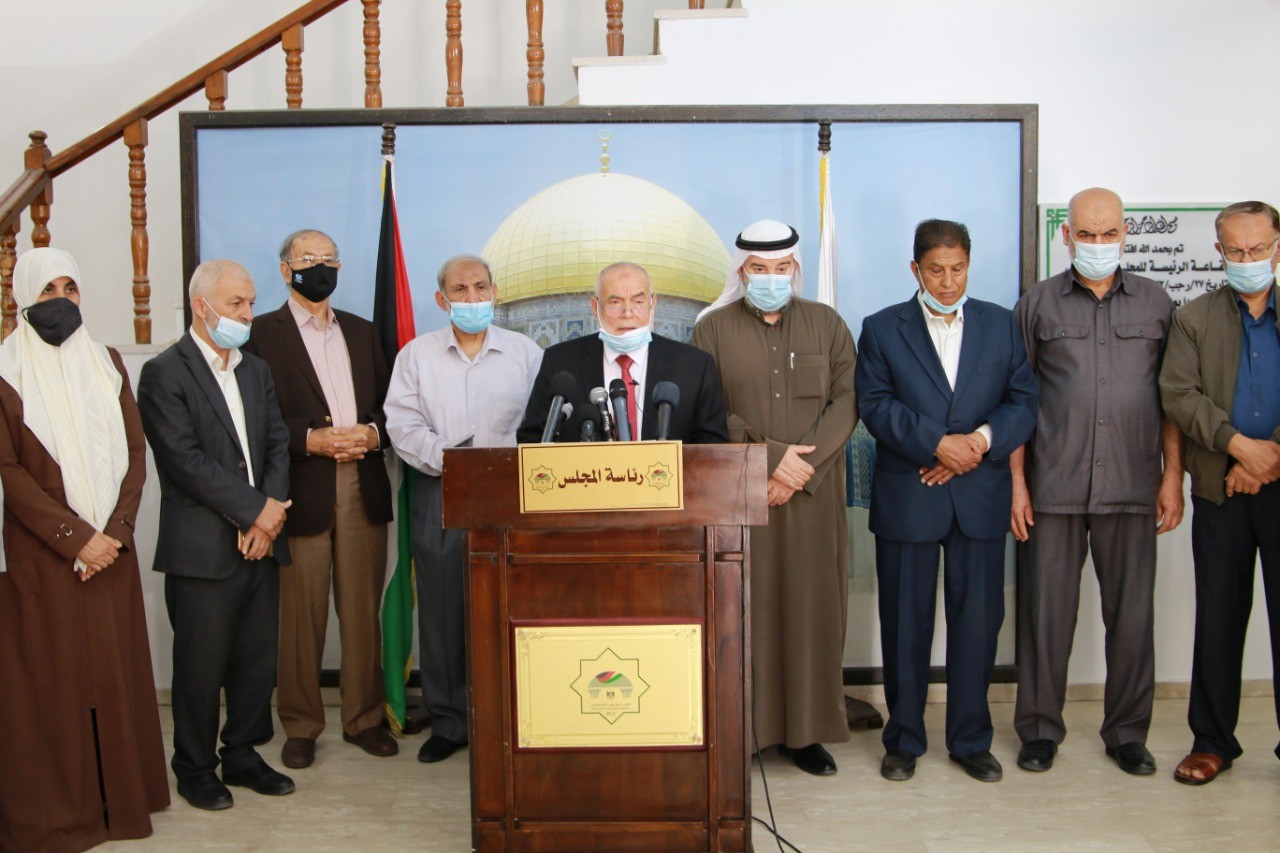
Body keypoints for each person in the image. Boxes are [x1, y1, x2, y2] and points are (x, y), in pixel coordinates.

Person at [856, 219, 1037, 783]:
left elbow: (1023, 401)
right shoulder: (882, 328)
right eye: (936, 270)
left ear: (968, 265)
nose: (948, 281)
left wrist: (976, 444)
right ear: (916, 269)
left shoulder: (1001, 325)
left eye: (957, 269)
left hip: (980, 497)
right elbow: (874, 404)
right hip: (910, 496)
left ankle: (970, 740)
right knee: (904, 625)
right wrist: (938, 444)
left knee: (977, 626)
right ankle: (904, 740)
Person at [0, 248, 169, 851]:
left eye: (70, 288)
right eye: (48, 290)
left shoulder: (107, 362)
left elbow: (135, 453)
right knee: (53, 683)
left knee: (112, 675)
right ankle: (60, 810)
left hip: (109, 555)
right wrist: (76, 538)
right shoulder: (5, 372)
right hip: (41, 556)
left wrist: (115, 534)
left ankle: (119, 802)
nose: (61, 301)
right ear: (23, 296)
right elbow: (9, 472)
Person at [1010, 188, 1183, 776]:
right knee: (1045, 618)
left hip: (1134, 484)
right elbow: (1017, 400)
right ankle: (1039, 730)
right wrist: (1017, 483)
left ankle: (1127, 734)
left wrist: (1173, 477)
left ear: (1125, 233)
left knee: (1132, 619)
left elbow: (1172, 401)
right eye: (1087, 234)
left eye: (1109, 234)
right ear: (1067, 235)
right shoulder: (1037, 305)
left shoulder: (1157, 304)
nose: (1099, 244)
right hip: (1053, 487)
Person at [692, 220, 855, 776]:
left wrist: (795, 470)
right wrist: (770, 458)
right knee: (746, 611)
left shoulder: (828, 324)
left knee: (811, 610)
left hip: (812, 495)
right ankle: (746, 732)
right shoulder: (712, 329)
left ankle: (806, 734)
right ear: (741, 271)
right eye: (759, 269)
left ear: (795, 269)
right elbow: (709, 410)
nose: (770, 278)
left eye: (781, 268)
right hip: (743, 492)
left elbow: (846, 402)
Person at [138, 259, 295, 810]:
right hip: (202, 550)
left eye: (250, 303)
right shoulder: (164, 372)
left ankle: (243, 755)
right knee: (200, 669)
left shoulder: (256, 371)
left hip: (261, 543)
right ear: (201, 307)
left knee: (255, 662)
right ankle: (195, 767)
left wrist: (269, 517)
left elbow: (277, 445)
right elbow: (184, 461)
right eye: (236, 304)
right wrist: (255, 512)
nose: (248, 314)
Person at [243, 229, 397, 769]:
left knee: (361, 612)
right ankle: (302, 725)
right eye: (308, 258)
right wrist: (307, 439)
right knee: (300, 618)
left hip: (362, 484)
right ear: (285, 270)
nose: (320, 266)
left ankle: (364, 719)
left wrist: (372, 435)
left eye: (329, 258)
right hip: (299, 490)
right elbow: (252, 417)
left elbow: (391, 408)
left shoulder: (362, 331)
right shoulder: (261, 335)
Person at [385, 253, 543, 763]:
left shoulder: (525, 353)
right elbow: (402, 424)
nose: (472, 298)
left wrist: (501, 467)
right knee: (443, 609)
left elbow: (542, 422)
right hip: (443, 489)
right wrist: (453, 462)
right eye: (460, 290)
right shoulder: (416, 356)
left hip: (514, 494)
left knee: (513, 606)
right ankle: (450, 722)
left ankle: (510, 718)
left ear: (494, 292)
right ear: (441, 299)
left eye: (480, 288)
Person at [1160, 200, 1280, 786]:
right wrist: (1238, 447)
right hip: (1220, 489)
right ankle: (1212, 742)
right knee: (1218, 619)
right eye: (1236, 250)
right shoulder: (1194, 318)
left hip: (1274, 481)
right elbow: (1178, 395)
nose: (1247, 258)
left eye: (1257, 249)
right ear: (1219, 252)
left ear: (1277, 247)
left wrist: (1267, 456)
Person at [516, 261, 729, 444]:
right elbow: (533, 440)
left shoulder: (695, 367)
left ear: (653, 304)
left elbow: (713, 451)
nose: (627, 313)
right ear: (595, 307)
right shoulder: (559, 362)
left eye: (638, 302)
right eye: (614, 303)